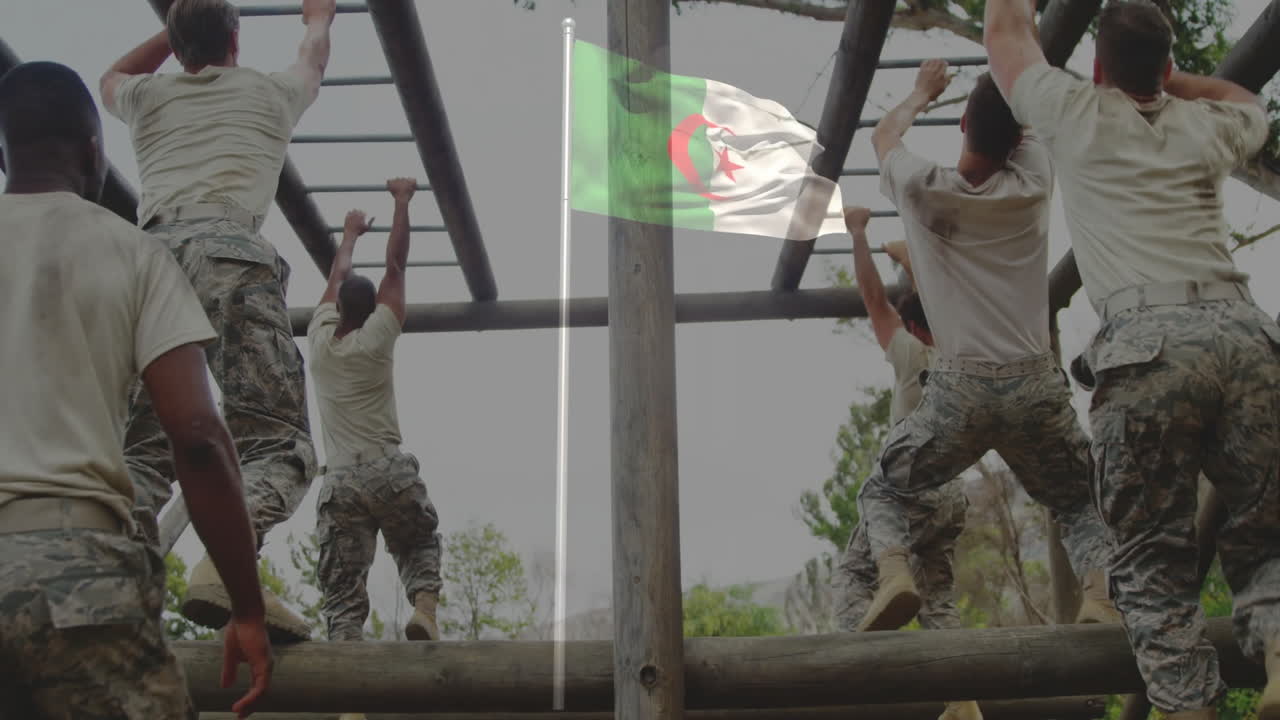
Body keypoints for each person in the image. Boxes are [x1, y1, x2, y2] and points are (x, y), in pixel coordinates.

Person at [984, 1, 1280, 717]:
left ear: (1096, 65)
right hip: (1245, 337)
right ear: (1169, 67)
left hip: (1148, 345)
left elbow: (1005, 33)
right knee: (1269, 532)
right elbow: (1246, 99)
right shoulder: (1207, 124)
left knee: (1151, 559)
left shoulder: (1074, 111)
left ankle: (1187, 706)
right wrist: (1177, 84)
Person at [0, 60, 271, 720]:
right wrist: (247, 607)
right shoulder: (133, 254)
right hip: (73, 574)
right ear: (94, 150)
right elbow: (198, 436)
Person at [854, 59, 1120, 646]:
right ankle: (1100, 593)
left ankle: (895, 572)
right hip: (1035, 382)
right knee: (1077, 500)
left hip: (961, 389)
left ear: (962, 128)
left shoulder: (922, 189)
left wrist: (922, 93)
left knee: (885, 488)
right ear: (1020, 137)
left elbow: (883, 136)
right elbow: (1024, 120)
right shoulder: (1033, 182)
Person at [99, 0, 338, 640]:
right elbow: (313, 60)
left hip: (146, 262)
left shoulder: (149, 99)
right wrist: (317, 18)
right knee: (277, 445)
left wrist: (174, 32)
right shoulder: (268, 92)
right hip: (228, 253)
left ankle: (108, 595)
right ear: (237, 38)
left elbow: (109, 78)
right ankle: (227, 558)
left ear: (178, 51)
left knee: (141, 454)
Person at [835, 207, 979, 720]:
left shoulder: (912, 354)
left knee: (855, 571)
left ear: (913, 325)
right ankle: (961, 700)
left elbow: (874, 300)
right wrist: (914, 260)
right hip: (952, 496)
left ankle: (857, 672)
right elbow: (945, 305)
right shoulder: (967, 357)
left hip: (908, 487)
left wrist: (859, 234)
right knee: (938, 597)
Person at [307, 179, 444, 659]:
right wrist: (402, 201)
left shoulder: (320, 343)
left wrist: (349, 232)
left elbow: (336, 276)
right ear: (373, 311)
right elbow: (396, 266)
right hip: (387, 468)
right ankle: (423, 606)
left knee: (342, 594)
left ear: (340, 309)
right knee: (417, 541)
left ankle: (348, 698)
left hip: (340, 478)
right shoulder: (379, 336)